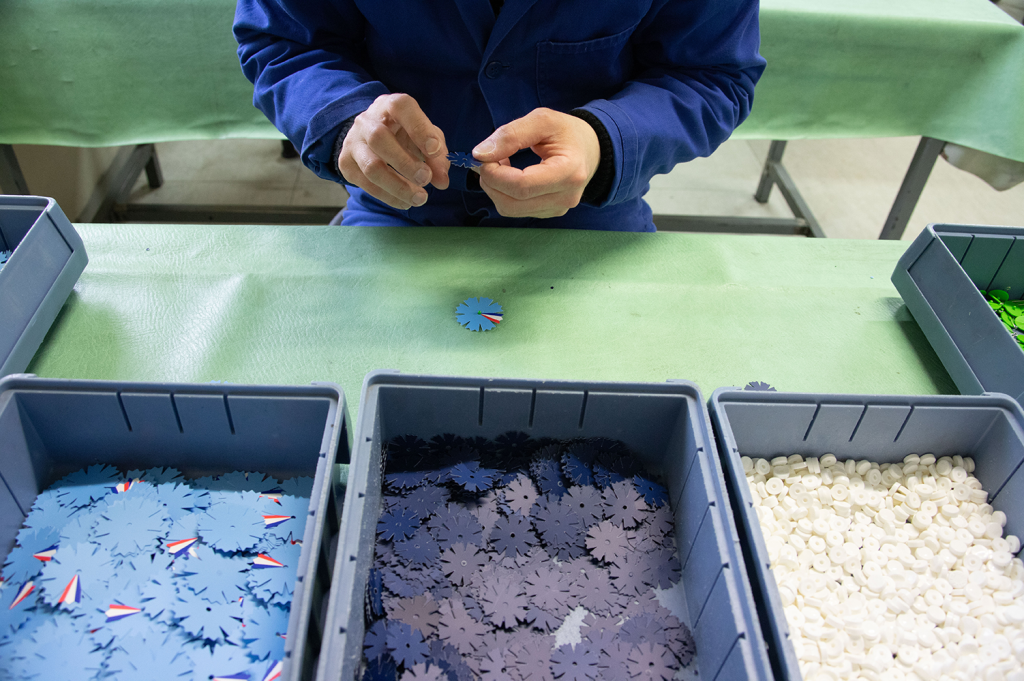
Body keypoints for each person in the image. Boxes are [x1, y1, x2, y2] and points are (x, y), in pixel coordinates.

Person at [234, 1, 766, 231]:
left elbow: (711, 73)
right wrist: (345, 119)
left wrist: (603, 143)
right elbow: (284, 42)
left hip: (589, 211)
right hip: (398, 208)